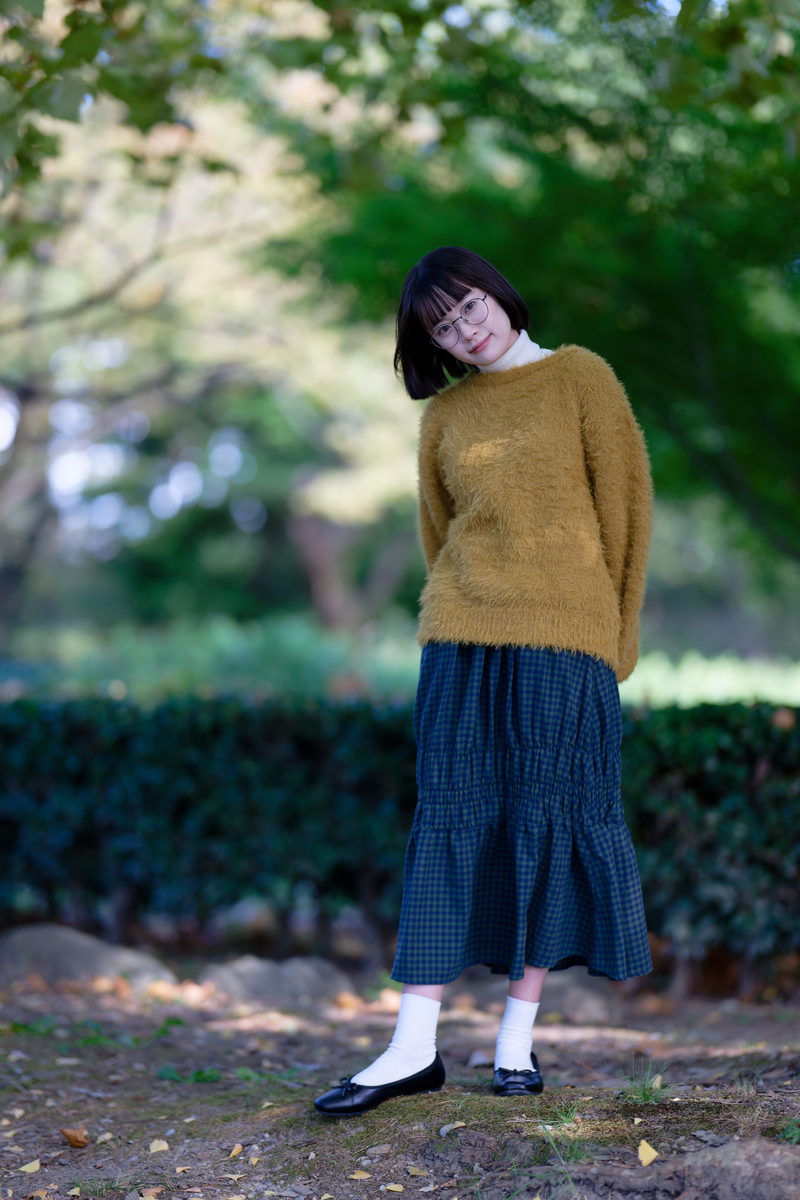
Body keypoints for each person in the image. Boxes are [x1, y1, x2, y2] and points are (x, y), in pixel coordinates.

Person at [314, 246, 653, 1117]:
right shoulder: (445, 417)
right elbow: (440, 534)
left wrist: (615, 640)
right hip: (461, 637)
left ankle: (515, 1042)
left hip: (565, 639)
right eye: (443, 328)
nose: (467, 330)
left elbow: (626, 514)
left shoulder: (581, 377)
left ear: (497, 294)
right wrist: (465, 602)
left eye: (469, 306)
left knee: (547, 821)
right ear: (433, 345)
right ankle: (412, 1047)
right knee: (449, 824)